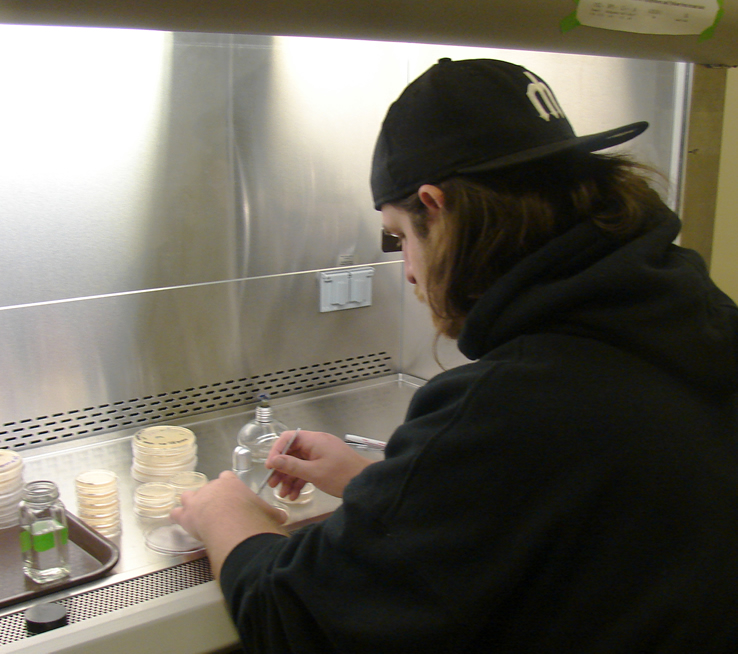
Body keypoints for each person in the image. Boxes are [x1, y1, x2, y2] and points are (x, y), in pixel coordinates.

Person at [172, 58, 738, 652]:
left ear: (436, 209)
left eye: (399, 237)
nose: (409, 271)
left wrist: (225, 512)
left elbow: (293, 618)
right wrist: (379, 483)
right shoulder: (689, 316)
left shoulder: (512, 400)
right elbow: (569, 501)